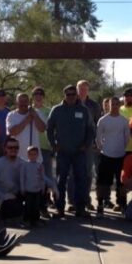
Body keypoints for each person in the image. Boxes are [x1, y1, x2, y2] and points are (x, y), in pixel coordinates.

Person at [47, 84, 94, 219]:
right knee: (60, 181)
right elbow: (49, 129)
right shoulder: (57, 110)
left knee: (81, 180)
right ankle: (59, 208)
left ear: (77, 95)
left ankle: (80, 208)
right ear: (64, 95)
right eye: (68, 94)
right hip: (62, 152)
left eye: (73, 94)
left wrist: (86, 144)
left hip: (79, 152)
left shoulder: (84, 110)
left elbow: (91, 129)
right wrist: (53, 144)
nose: (71, 97)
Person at [95, 96, 130, 216]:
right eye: (112, 104)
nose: (114, 106)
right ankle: (100, 204)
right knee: (102, 183)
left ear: (119, 105)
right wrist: (101, 148)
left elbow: (126, 138)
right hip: (106, 156)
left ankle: (122, 204)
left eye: (116, 104)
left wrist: (120, 148)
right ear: (108, 105)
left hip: (120, 156)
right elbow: (98, 137)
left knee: (121, 183)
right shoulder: (103, 120)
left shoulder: (124, 121)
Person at [73, 80, 101, 210]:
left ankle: (86, 199)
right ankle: (73, 201)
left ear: (88, 90)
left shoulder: (94, 105)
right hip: (73, 144)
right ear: (77, 89)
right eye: (80, 88)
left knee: (88, 173)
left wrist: (95, 141)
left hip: (89, 144)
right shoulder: (71, 102)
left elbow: (97, 125)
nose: (82, 91)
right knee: (72, 173)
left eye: (85, 89)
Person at [20, 145, 58, 227]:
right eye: (30, 154)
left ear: (37, 155)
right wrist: (22, 188)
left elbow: (42, 177)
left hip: (37, 190)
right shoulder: (25, 165)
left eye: (34, 154)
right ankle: (27, 220)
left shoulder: (40, 165)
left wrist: (42, 187)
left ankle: (35, 220)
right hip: (28, 190)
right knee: (28, 206)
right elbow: (22, 177)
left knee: (36, 206)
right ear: (27, 155)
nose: (32, 156)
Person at [6, 93, 46, 161]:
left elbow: (42, 129)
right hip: (18, 158)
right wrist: (26, 120)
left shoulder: (37, 113)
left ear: (29, 102)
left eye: (25, 101)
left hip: (34, 158)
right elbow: (12, 132)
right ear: (16, 102)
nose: (23, 103)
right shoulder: (11, 115)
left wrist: (35, 116)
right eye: (21, 101)